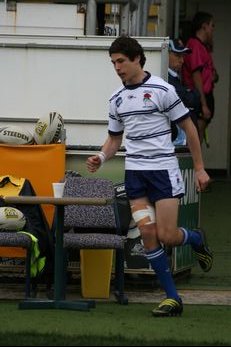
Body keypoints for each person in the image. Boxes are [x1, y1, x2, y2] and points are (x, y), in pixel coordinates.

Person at [86, 36, 213, 317]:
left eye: (121, 61)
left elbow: (190, 128)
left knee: (167, 235)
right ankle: (172, 298)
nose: (117, 67)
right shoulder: (116, 99)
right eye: (113, 62)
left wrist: (200, 167)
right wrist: (102, 156)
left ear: (136, 59)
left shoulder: (162, 90)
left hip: (163, 173)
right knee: (147, 234)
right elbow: (114, 139)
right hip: (136, 176)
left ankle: (194, 238)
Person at [182, 11, 218, 145]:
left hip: (206, 95)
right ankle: (195, 165)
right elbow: (196, 74)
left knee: (200, 134)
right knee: (196, 135)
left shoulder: (204, 47)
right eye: (211, 26)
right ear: (204, 26)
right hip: (198, 96)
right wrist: (203, 104)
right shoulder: (195, 45)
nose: (213, 30)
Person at [168, 38, 201, 145]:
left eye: (183, 56)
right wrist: (193, 94)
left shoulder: (174, 77)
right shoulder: (167, 79)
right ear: (166, 54)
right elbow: (191, 100)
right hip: (175, 143)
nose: (182, 60)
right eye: (178, 56)